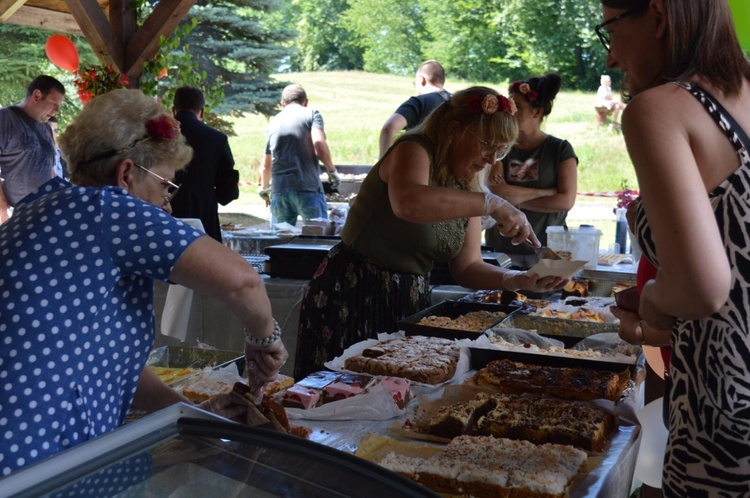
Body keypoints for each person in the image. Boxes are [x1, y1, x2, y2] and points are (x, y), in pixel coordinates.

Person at [0, 89, 288, 476]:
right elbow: (243, 283)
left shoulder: (44, 206)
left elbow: (110, 362)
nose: (168, 205)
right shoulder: (105, 207)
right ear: (126, 174)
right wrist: (263, 338)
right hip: (34, 459)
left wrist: (190, 414)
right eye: (166, 186)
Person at [294, 86, 568, 379]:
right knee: (336, 396)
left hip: (408, 303)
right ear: (453, 130)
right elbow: (409, 203)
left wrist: (516, 280)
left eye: (501, 150)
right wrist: (491, 203)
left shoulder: (468, 183)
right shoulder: (413, 148)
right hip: (352, 295)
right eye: (487, 145)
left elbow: (468, 267)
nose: (491, 159)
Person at [598, 0, 750, 495]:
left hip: (728, 407)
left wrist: (653, 307)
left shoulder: (660, 107)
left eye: (610, 29)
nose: (610, 58)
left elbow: (703, 288)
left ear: (658, 17)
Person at [484, 74, 578, 257]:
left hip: (547, 252)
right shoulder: (500, 146)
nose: (510, 111)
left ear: (537, 112)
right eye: (509, 105)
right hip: (501, 251)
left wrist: (511, 198)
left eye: (517, 106)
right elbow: (495, 192)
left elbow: (566, 201)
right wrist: (546, 192)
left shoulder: (560, 149)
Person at [260, 84, 339, 226]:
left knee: (279, 243)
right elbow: (320, 145)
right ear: (306, 102)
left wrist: (264, 188)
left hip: (280, 192)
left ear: (283, 104)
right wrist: (332, 171)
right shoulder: (311, 114)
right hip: (308, 189)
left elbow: (266, 166)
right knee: (317, 241)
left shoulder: (273, 122)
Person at [170, 86, 240, 242]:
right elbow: (227, 189)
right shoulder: (217, 139)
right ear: (202, 111)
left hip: (166, 213)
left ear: (173, 110)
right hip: (203, 214)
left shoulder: (158, 137)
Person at [0, 75, 65, 223]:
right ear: (37, 95)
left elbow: (50, 170)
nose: (57, 111)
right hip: (14, 216)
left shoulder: (46, 128)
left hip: (44, 213)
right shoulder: (4, 119)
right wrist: (3, 211)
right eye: (54, 103)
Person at [379, 60, 452, 157]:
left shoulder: (419, 103)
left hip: (418, 167)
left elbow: (389, 128)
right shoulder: (457, 103)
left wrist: (381, 165)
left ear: (422, 80)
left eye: (415, 83)